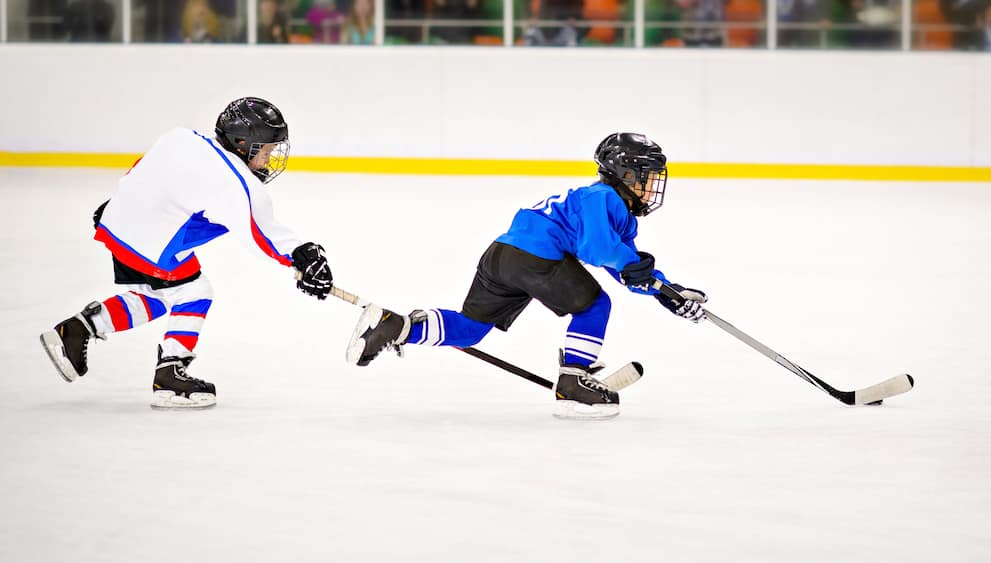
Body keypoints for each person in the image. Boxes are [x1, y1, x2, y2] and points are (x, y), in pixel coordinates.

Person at [346, 133, 707, 420]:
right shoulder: (604, 197)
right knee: (595, 305)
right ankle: (574, 381)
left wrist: (667, 292)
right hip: (537, 256)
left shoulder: (616, 212)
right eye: (647, 178)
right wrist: (640, 270)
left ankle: (396, 327)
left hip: (503, 255)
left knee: (472, 328)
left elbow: (624, 267)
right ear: (626, 176)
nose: (652, 186)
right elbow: (601, 249)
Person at [39, 97, 334, 410]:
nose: (269, 159)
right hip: (148, 241)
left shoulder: (182, 136)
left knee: (155, 295)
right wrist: (302, 257)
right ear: (243, 144)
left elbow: (144, 169)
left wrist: (117, 204)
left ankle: (77, 330)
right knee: (194, 291)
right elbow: (262, 234)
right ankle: (170, 375)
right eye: (266, 150)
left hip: (118, 223)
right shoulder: (236, 183)